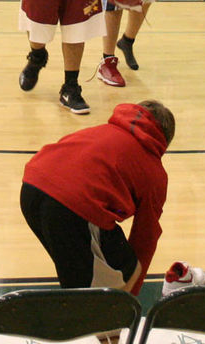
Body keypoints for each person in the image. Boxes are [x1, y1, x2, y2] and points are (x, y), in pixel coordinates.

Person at [20, 100, 175, 297]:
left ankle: (77, 315)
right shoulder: (155, 173)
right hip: (72, 207)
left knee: (77, 278)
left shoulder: (100, 130)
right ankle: (104, 323)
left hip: (31, 189)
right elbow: (145, 238)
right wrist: (131, 297)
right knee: (127, 272)